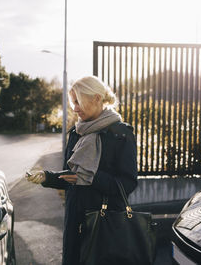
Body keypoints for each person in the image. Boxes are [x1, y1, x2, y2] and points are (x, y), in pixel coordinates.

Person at [26, 75, 138, 265]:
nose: (75, 108)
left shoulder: (121, 134)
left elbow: (128, 183)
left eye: (78, 102)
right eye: (73, 103)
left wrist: (91, 177)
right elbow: (70, 177)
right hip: (74, 223)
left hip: (104, 225)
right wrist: (47, 177)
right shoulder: (76, 133)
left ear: (96, 98)